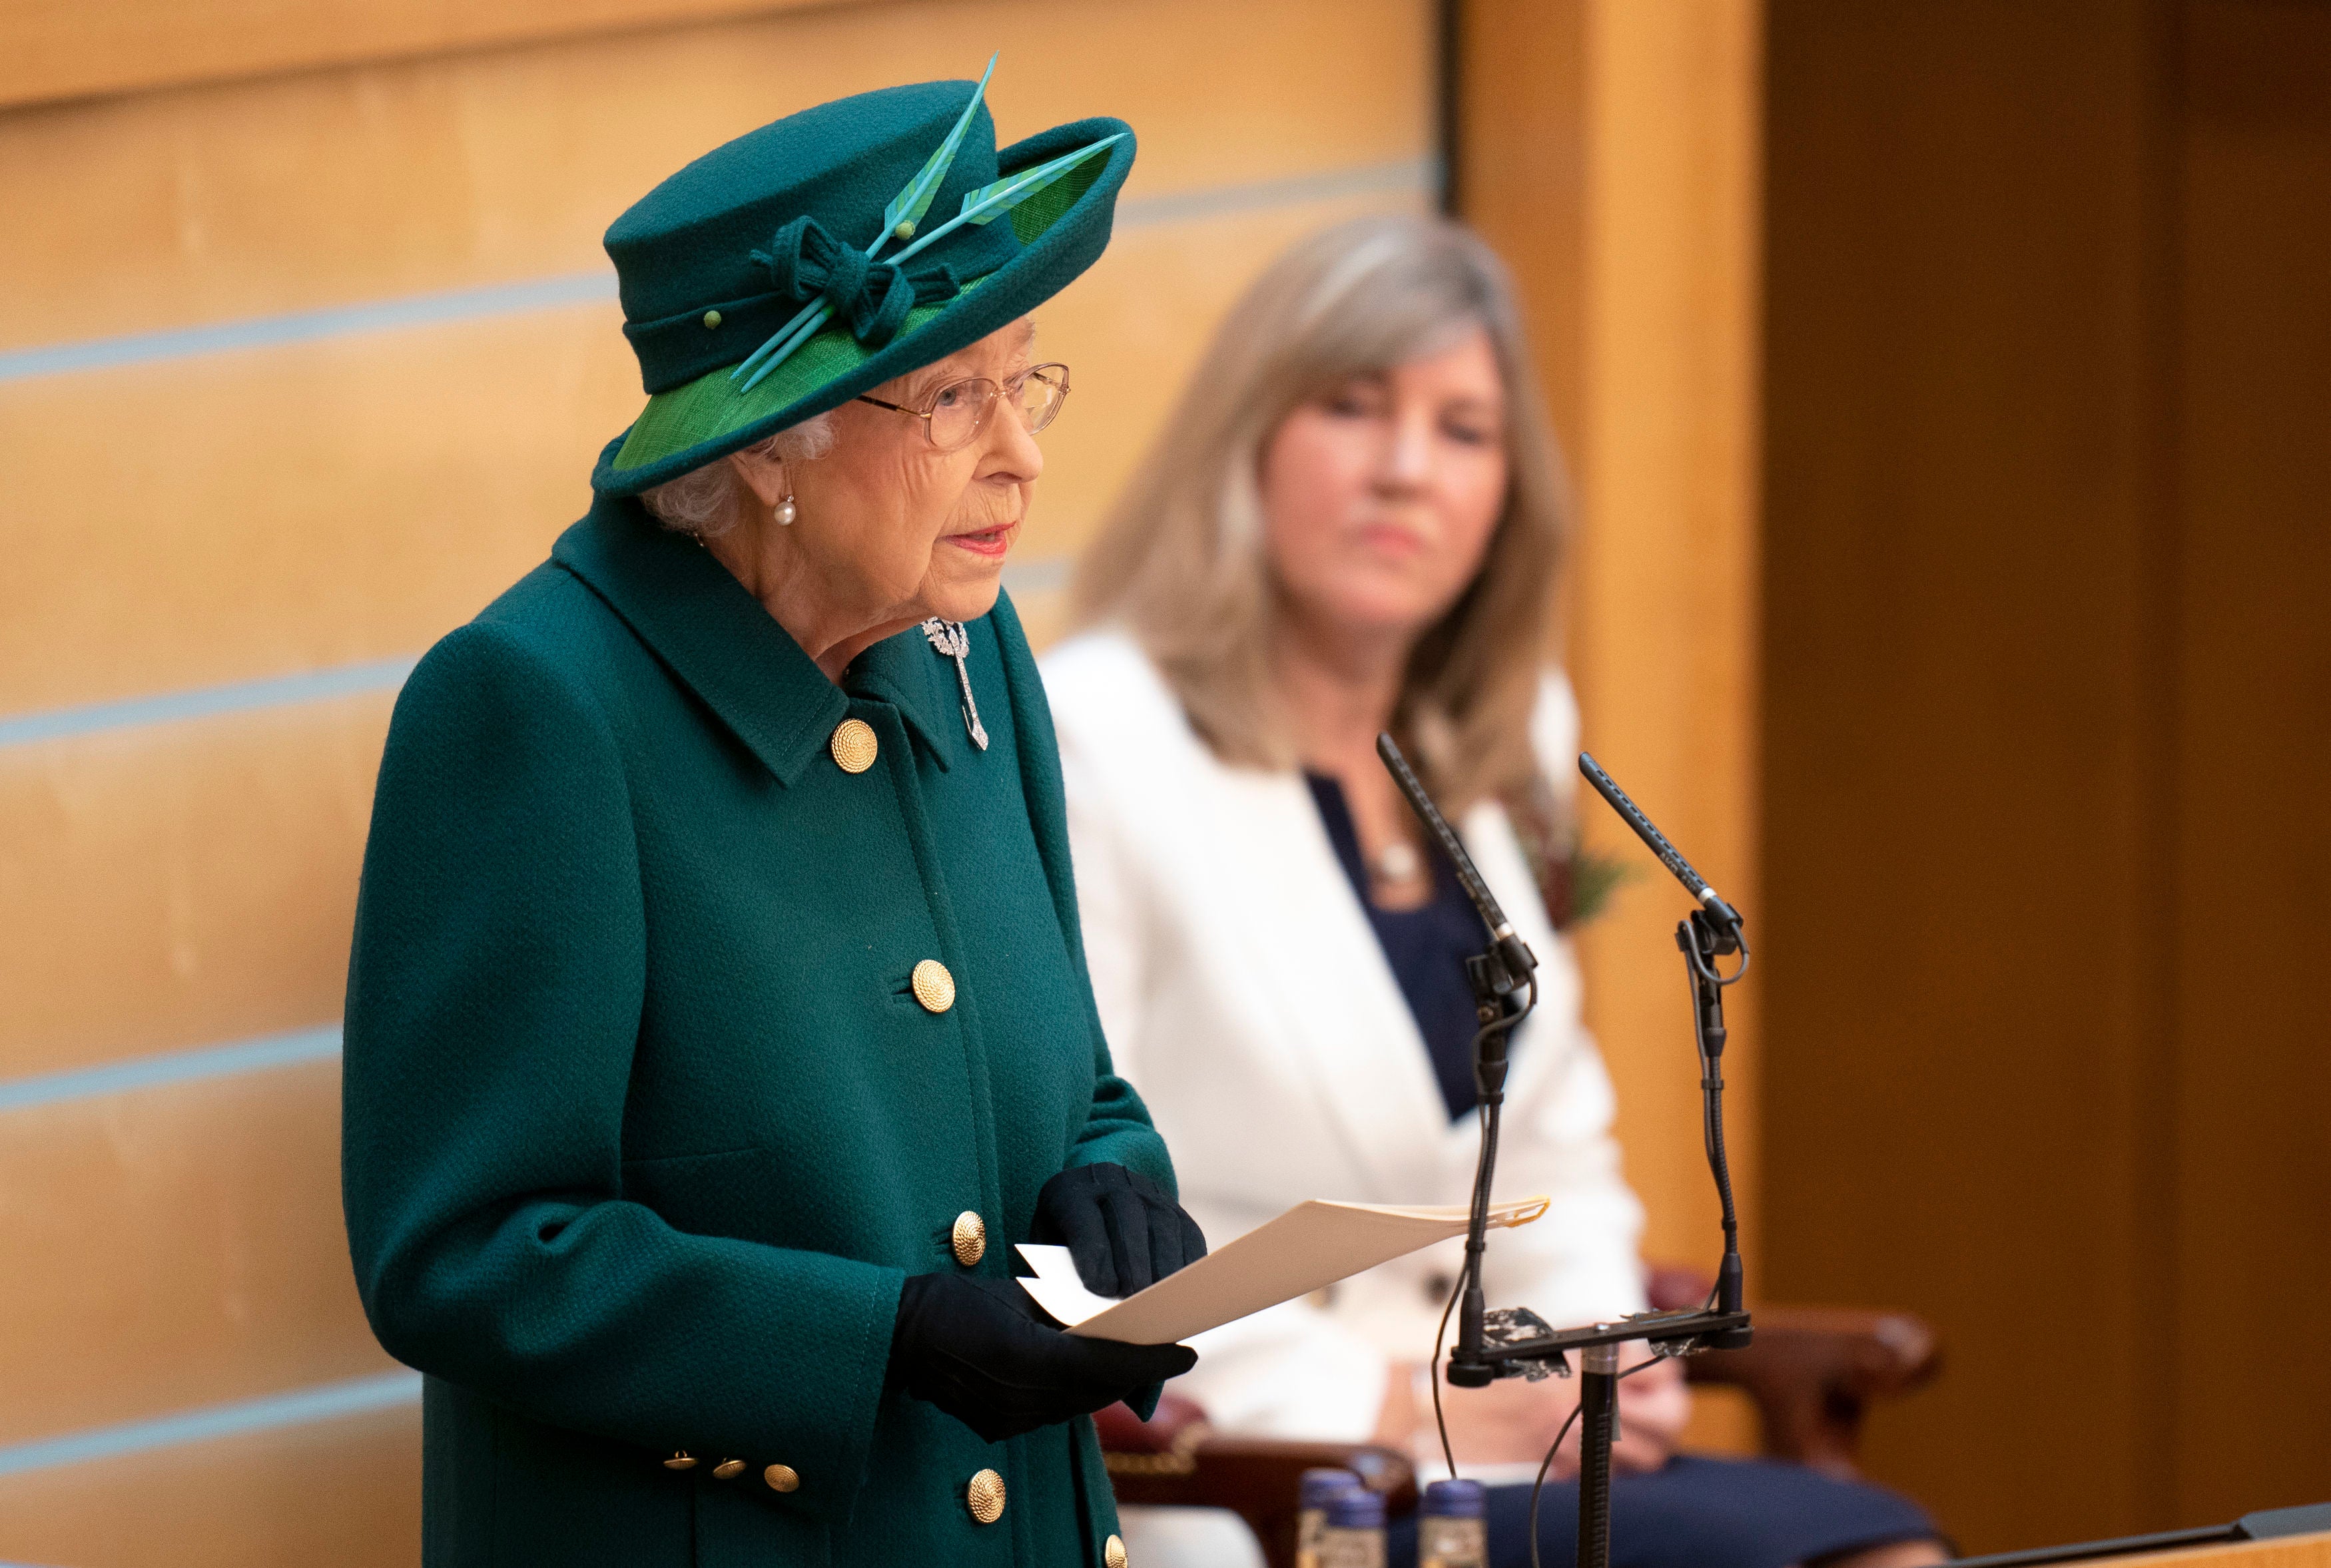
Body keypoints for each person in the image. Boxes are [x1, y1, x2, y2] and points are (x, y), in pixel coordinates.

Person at [341, 71, 1207, 1568]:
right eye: (951, 397)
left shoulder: (963, 640)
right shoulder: (534, 712)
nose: (1023, 453)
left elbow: (1065, 1077)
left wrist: (1116, 1186)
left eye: (1024, 376)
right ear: (763, 448)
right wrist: (875, 1338)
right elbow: (465, 1253)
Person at [1041, 215, 1943, 1568]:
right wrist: (1395, 1405)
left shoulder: (1502, 739)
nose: (1407, 470)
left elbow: (1555, 1151)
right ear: (1246, 442)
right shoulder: (1097, 738)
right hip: (1262, 1463)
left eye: (1462, 430)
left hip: (1501, 1432)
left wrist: (1595, 1361)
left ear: (1507, 491)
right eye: (1353, 408)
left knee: (1874, 1548)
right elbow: (1062, 1209)